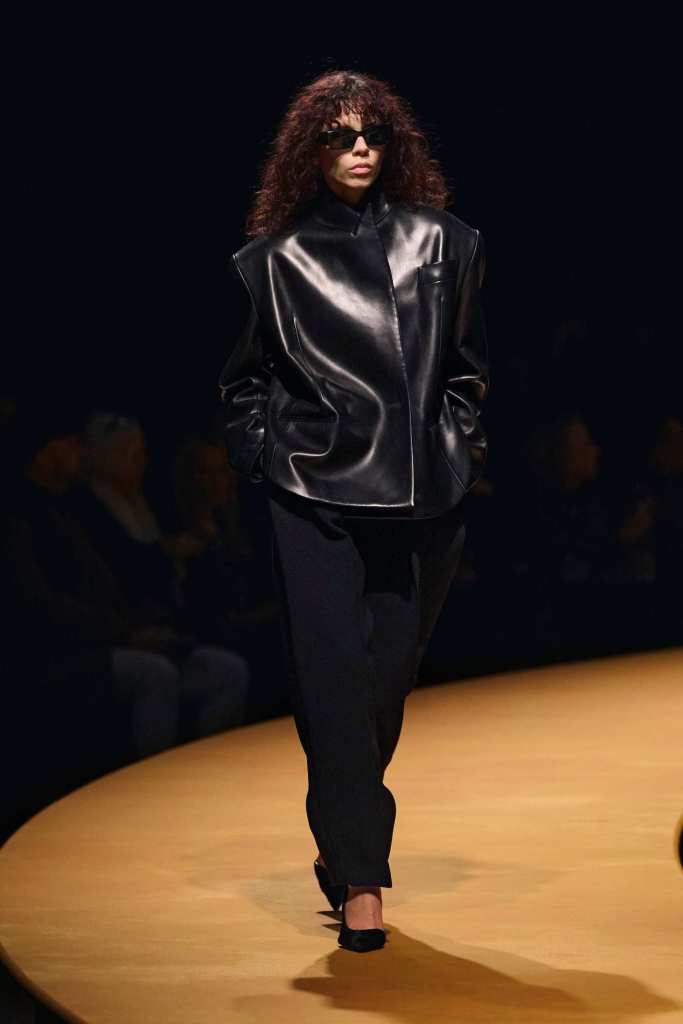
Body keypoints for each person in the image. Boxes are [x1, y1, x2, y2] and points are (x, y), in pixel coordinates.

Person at [218, 70, 490, 952]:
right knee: (333, 677)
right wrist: (266, 456)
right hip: (312, 488)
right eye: (338, 135)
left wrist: (459, 447)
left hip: (424, 493)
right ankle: (363, 881)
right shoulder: (270, 262)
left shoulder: (445, 241)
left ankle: (342, 843)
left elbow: (467, 368)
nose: (360, 147)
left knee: (384, 683)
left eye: (372, 132)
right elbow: (242, 381)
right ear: (310, 151)